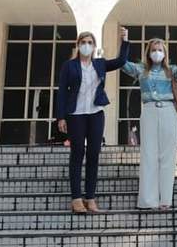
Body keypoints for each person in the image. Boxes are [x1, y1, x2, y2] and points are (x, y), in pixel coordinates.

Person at [57, 27, 129, 214]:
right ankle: (76, 199)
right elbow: (62, 91)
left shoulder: (99, 64)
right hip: (76, 115)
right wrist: (61, 117)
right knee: (77, 153)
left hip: (96, 113)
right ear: (78, 45)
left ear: (94, 46)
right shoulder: (69, 66)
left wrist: (125, 40)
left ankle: (90, 198)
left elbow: (121, 61)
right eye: (83, 42)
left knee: (94, 154)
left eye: (90, 43)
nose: (86, 46)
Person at [122, 33, 177, 210]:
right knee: (149, 155)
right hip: (149, 111)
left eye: (160, 50)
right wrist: (124, 41)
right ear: (148, 52)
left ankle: (165, 200)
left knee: (168, 156)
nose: (157, 52)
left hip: (169, 110)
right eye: (153, 49)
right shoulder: (140, 69)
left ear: (165, 53)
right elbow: (122, 64)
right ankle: (147, 200)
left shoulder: (171, 70)